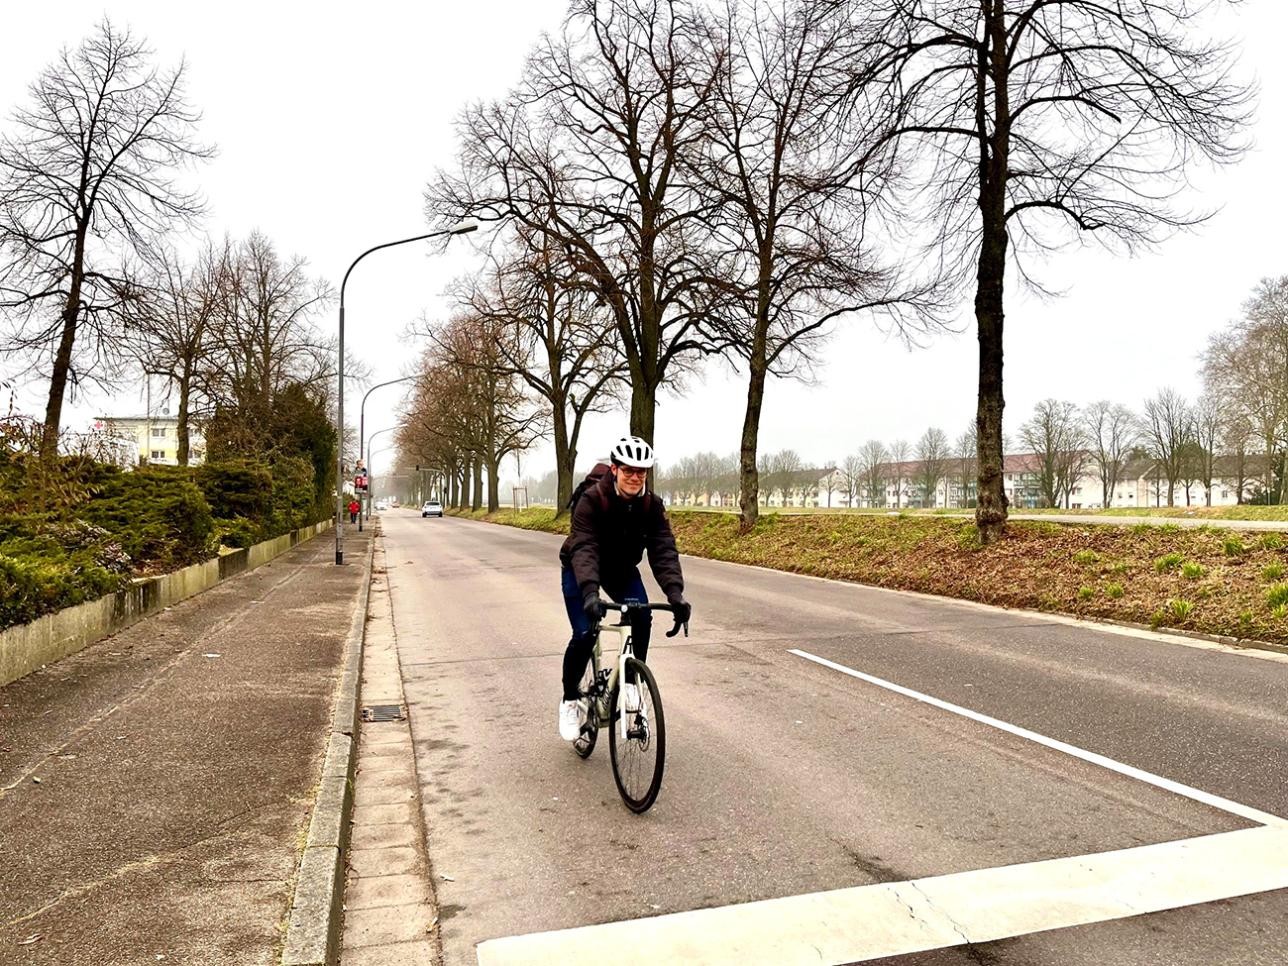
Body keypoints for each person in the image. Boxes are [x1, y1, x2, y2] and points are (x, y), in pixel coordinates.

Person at [557, 435, 690, 740]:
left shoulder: (651, 506)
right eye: (628, 470)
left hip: (620, 570)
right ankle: (569, 700)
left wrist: (675, 594)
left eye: (641, 472)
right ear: (614, 469)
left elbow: (663, 550)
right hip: (580, 566)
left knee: (642, 615)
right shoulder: (592, 500)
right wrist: (590, 592)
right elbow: (585, 548)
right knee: (584, 632)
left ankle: (631, 682)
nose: (634, 477)